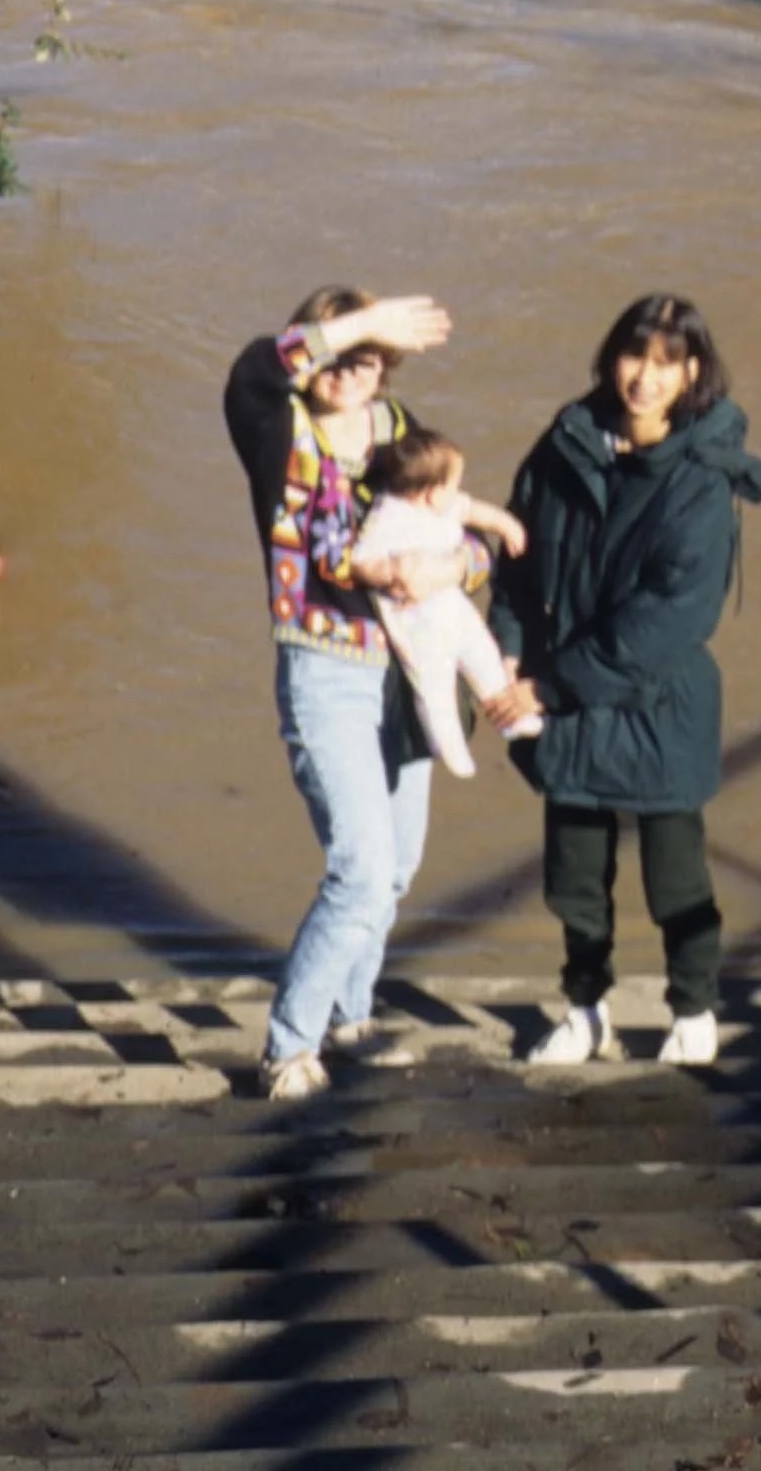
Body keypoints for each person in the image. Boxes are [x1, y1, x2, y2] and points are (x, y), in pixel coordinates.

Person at [485, 291, 761, 1069]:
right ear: (611, 357)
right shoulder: (567, 443)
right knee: (573, 881)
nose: (645, 377)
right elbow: (516, 560)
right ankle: (584, 1012)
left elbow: (670, 621)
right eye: (633, 356)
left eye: (665, 363)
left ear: (692, 373)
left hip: (657, 707)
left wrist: (548, 686)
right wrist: (506, 650)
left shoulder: (701, 480)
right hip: (566, 705)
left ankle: (694, 1009)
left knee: (677, 879)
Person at [222, 285, 480, 1102]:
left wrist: (458, 566)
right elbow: (253, 371)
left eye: (369, 359)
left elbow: (461, 528)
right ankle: (288, 1047)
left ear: (387, 370)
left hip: (406, 673)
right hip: (324, 669)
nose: (350, 370)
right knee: (361, 870)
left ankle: (349, 1020)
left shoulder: (400, 432)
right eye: (337, 353)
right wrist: (356, 324)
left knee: (397, 867)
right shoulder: (277, 427)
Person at [353, 427, 543, 777]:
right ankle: (447, 743)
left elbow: (474, 510)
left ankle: (509, 717)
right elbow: (361, 561)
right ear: (430, 493)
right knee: (433, 681)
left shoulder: (445, 504)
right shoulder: (387, 517)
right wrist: (393, 571)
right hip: (414, 617)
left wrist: (507, 526)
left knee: (484, 653)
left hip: (451, 604)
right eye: (454, 484)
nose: (459, 492)